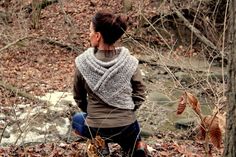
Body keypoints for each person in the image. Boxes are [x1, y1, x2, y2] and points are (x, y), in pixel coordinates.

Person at [72, 10, 147, 157]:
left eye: (90, 31)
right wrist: (127, 109)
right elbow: (140, 94)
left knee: (76, 119)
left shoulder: (82, 63)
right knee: (132, 123)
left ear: (98, 36)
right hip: (126, 127)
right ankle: (136, 146)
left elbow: (78, 97)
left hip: (96, 128)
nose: (89, 34)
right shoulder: (130, 62)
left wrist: (92, 113)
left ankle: (101, 147)